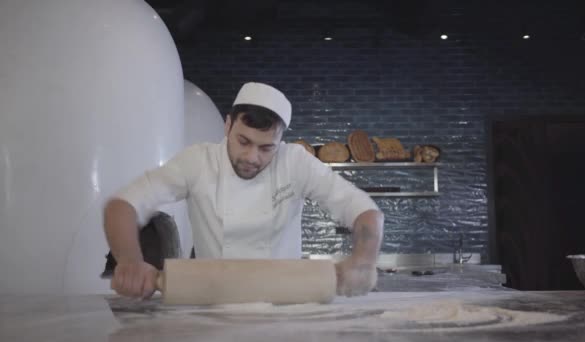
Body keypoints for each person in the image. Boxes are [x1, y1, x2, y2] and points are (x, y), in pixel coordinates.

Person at [103, 82, 384, 300]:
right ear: (228, 125)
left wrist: (363, 259)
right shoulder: (198, 162)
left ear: (280, 141)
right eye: (243, 141)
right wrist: (130, 261)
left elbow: (363, 209)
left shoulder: (295, 162)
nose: (252, 157)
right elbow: (123, 205)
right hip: (212, 308)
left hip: (286, 310)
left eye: (266, 148)